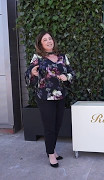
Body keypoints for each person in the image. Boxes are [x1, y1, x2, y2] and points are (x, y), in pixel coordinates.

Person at [25, 30, 75, 168]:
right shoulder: (37, 58)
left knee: (57, 124)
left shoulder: (62, 57)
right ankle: (51, 153)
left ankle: (52, 149)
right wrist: (33, 73)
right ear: (40, 44)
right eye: (45, 40)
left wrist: (67, 77)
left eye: (50, 39)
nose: (48, 41)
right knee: (49, 126)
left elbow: (71, 72)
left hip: (60, 95)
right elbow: (29, 75)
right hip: (45, 97)